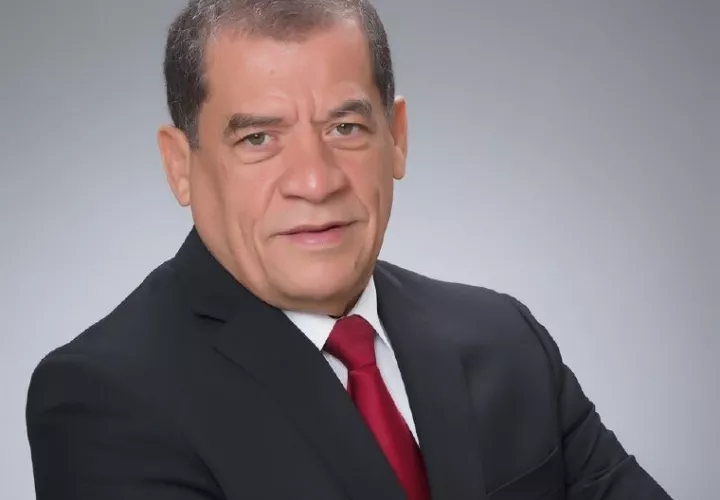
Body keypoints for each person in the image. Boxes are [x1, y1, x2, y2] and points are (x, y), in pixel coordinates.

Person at [25, 1, 673, 499]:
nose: (316, 181)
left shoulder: (506, 338)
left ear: (396, 138)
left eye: (345, 127)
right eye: (258, 139)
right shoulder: (105, 399)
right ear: (180, 166)